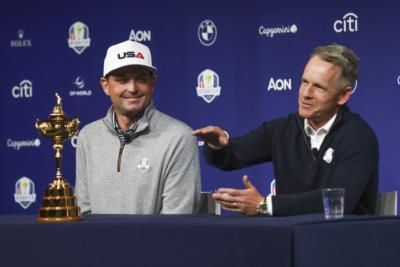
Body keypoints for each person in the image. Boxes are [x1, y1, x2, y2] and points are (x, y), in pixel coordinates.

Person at [193, 44, 379, 216]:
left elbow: (338, 202)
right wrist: (218, 144)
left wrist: (265, 205)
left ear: (343, 95)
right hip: (290, 241)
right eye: (304, 82)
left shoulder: (358, 137)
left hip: (344, 244)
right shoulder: (282, 130)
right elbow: (230, 157)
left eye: (319, 87)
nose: (306, 93)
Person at [75, 40, 201, 214]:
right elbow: (83, 211)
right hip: (96, 242)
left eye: (141, 79)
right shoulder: (88, 137)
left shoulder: (179, 137)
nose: (132, 88)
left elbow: (177, 221)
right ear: (106, 85)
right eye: (122, 80)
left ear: (152, 82)